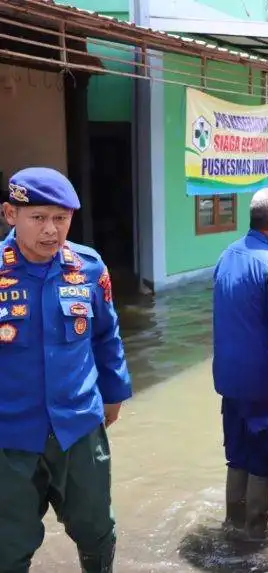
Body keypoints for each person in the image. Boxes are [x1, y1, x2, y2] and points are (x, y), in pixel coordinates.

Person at [0, 167, 132, 572]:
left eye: (61, 218)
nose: (51, 230)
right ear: (10, 214)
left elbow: (106, 336)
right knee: (9, 544)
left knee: (96, 529)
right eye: (38, 217)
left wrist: (114, 394)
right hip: (10, 435)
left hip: (78, 428)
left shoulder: (88, 267)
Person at [212, 187, 268, 541]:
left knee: (239, 455)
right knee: (266, 460)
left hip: (228, 379)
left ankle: (233, 527)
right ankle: (256, 537)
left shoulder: (226, 255)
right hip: (262, 383)